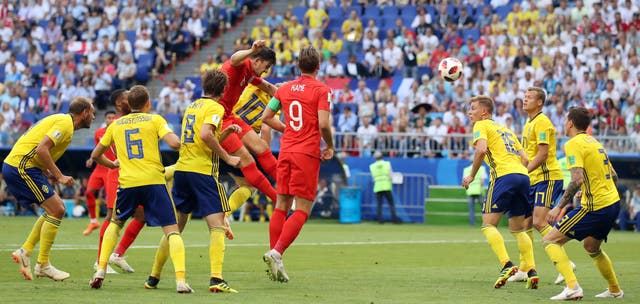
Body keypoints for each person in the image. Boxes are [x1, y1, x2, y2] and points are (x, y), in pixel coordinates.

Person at [144, 69, 241, 293]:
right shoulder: (216, 107)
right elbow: (206, 135)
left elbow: (202, 137)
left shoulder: (193, 106)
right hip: (203, 172)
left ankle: (153, 276)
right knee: (217, 226)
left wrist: (225, 133)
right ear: (223, 89)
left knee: (175, 227)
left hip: (183, 170)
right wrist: (227, 156)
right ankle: (216, 279)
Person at [89, 85, 192, 293]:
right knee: (172, 232)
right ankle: (181, 281)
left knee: (115, 223)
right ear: (148, 103)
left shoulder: (116, 125)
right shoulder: (155, 119)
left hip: (127, 183)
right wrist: (187, 143)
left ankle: (100, 269)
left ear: (129, 104)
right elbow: (174, 144)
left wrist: (112, 164)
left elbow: (96, 154)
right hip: (154, 181)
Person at [261, 46, 334, 283]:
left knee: (281, 204)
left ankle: (275, 259)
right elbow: (323, 124)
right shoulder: (322, 90)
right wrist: (330, 145)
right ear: (318, 66)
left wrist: (287, 128)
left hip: (286, 151)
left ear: (298, 65)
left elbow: (266, 117)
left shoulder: (284, 88)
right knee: (302, 208)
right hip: (306, 154)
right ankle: (277, 253)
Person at [6, 97, 95, 281]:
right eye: (92, 113)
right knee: (58, 209)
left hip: (23, 165)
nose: (93, 117)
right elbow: (41, 149)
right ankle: (43, 264)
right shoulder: (64, 124)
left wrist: (48, 172)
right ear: (84, 113)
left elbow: (37, 148)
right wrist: (60, 175)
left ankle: (26, 251)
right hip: (21, 166)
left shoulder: (63, 122)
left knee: (54, 210)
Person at [542, 107, 624, 300]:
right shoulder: (595, 142)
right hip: (613, 203)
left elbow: (577, 178)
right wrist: (588, 190)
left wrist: (558, 206)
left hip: (595, 208)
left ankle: (573, 287)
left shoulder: (573, 144)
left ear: (570, 122)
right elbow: (613, 175)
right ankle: (614, 290)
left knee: (550, 240)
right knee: (591, 247)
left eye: (564, 119)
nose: (563, 123)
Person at [462, 95, 536, 289]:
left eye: (473, 108)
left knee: (488, 225)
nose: (469, 112)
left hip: (504, 176)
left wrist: (471, 176)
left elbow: (481, 150)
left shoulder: (481, 125)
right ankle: (531, 270)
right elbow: (526, 159)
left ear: (484, 112)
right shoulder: (506, 130)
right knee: (518, 229)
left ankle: (506, 264)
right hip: (522, 176)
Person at [509, 87, 570, 285]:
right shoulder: (529, 122)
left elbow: (543, 154)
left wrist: (524, 172)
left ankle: (565, 264)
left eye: (529, 98)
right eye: (524, 97)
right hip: (535, 179)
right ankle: (526, 268)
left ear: (540, 102)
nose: (524, 100)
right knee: (525, 224)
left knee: (538, 222)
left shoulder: (542, 122)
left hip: (547, 178)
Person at [219, 40, 279, 205]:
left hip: (229, 116)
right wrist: (251, 50)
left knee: (261, 148)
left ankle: (287, 189)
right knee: (248, 161)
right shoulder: (242, 63)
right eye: (265, 67)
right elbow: (234, 58)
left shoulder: (252, 74)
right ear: (257, 60)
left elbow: (269, 87)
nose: (265, 71)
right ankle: (278, 200)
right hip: (216, 120)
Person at [94, 89, 142, 274]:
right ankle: (100, 262)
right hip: (118, 175)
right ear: (119, 104)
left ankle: (118, 254)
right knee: (112, 217)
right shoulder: (116, 124)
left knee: (141, 216)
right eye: (126, 97)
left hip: (135, 175)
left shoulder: (133, 119)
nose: (131, 99)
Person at [83, 110, 116, 236]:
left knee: (110, 202)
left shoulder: (118, 130)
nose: (111, 120)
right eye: (108, 118)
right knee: (89, 192)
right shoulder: (98, 133)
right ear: (105, 119)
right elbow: (98, 149)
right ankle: (93, 221)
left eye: (113, 118)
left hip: (112, 168)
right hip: (100, 168)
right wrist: (91, 159)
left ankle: (111, 228)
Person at [369, 151, 401, 224]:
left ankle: (380, 220)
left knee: (379, 204)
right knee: (391, 203)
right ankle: (394, 219)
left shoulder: (372, 166)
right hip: (386, 186)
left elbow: (373, 177)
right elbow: (390, 174)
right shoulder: (387, 164)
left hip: (377, 186)